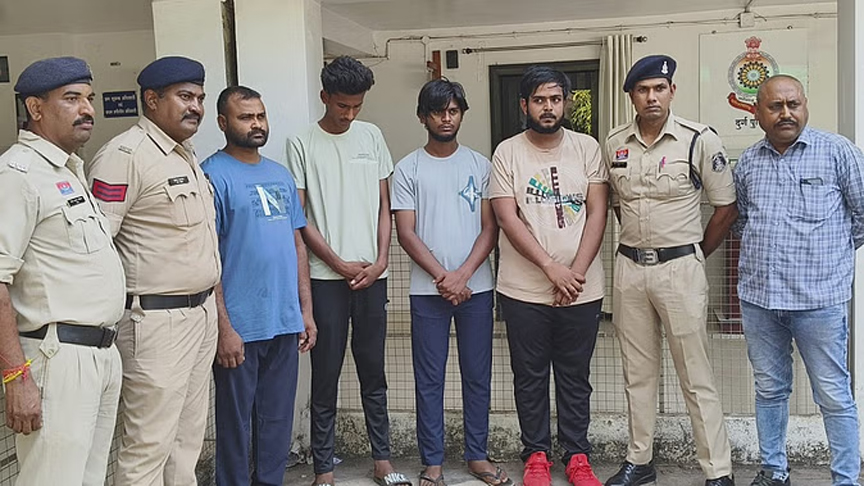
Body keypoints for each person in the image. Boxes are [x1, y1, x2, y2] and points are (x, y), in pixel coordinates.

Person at [85, 56, 221, 486]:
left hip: (200, 314)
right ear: (152, 99)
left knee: (187, 441)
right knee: (148, 445)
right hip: (155, 321)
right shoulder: (124, 156)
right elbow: (95, 245)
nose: (195, 106)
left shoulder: (186, 156)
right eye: (185, 96)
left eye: (199, 98)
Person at [602, 55, 737, 486]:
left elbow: (725, 207)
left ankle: (717, 470)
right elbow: (618, 205)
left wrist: (695, 253)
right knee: (636, 373)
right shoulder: (614, 142)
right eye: (642, 90)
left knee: (695, 375)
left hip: (680, 269)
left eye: (659, 88)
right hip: (630, 269)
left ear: (672, 91)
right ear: (631, 96)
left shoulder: (699, 140)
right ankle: (639, 460)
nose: (652, 97)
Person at [733, 74, 863, 486]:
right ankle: (775, 472)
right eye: (775, 106)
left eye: (794, 104)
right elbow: (743, 222)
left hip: (819, 302)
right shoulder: (748, 162)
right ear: (758, 113)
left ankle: (845, 479)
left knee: (833, 394)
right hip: (760, 300)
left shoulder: (838, 152)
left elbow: (861, 217)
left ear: (805, 105)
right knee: (770, 390)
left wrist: (828, 260)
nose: (785, 113)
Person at [0, 57, 125, 486]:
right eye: (72, 99)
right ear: (35, 108)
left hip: (100, 355)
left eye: (89, 98)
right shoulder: (17, 174)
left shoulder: (68, 170)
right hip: (58, 358)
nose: (87, 109)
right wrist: (16, 376)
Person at [287, 55, 409, 486]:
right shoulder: (301, 143)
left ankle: (382, 460)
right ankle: (324, 469)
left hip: (372, 277)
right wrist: (337, 263)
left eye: (357, 105)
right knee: (326, 375)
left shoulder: (371, 136)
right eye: (342, 105)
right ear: (325, 97)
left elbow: (384, 206)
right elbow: (299, 217)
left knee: (373, 371)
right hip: (326, 279)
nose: (350, 114)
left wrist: (381, 262)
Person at [489, 65, 607, 486]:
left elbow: (597, 211)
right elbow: (507, 217)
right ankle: (536, 455)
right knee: (530, 376)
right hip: (523, 290)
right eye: (539, 100)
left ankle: (577, 456)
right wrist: (550, 268)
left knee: (575, 376)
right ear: (524, 105)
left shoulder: (587, 148)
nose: (548, 107)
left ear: (567, 103)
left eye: (555, 99)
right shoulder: (507, 152)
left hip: (582, 289)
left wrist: (574, 274)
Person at [391, 79, 509, 486]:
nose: (447, 118)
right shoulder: (407, 168)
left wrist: (463, 276)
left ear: (462, 115)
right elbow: (406, 233)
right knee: (429, 379)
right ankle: (433, 464)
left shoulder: (480, 165)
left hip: (477, 288)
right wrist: (444, 278)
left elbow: (490, 228)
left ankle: (477, 456)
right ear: (422, 117)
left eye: (454, 111)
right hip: (428, 292)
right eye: (438, 111)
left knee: (477, 375)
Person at [201, 86, 318, 485]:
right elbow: (208, 256)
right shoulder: (211, 176)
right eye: (245, 117)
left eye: (261, 116)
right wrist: (224, 327)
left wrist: (305, 311)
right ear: (223, 123)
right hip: (239, 324)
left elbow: (297, 244)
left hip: (283, 319)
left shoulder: (280, 175)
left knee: (277, 419)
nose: (256, 124)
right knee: (235, 423)